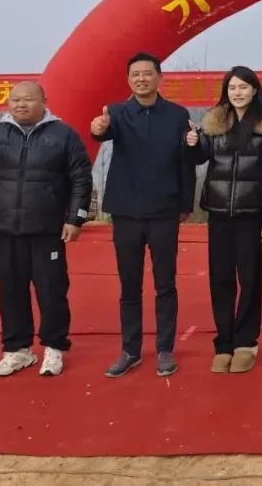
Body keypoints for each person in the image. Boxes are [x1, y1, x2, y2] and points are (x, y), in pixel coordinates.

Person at [0, 81, 93, 377]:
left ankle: (54, 347)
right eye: (14, 100)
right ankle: (17, 350)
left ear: (44, 101)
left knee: (51, 291)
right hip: (5, 227)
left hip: (46, 229)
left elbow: (81, 178)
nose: (20, 105)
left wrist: (76, 218)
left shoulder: (63, 134)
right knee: (10, 291)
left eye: (27, 99)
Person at [91, 52, 197, 378]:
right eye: (135, 74)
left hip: (164, 211)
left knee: (165, 283)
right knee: (129, 284)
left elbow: (186, 162)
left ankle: (165, 348)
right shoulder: (117, 113)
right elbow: (101, 131)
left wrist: (185, 204)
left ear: (159, 78)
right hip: (126, 211)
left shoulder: (177, 115)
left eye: (147, 73)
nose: (141, 79)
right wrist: (98, 128)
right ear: (129, 80)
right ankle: (130, 350)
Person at [185, 66, 262, 374]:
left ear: (254, 90)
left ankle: (246, 342)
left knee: (249, 279)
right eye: (232, 88)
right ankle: (224, 343)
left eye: (243, 87)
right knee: (221, 278)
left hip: (252, 216)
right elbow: (199, 157)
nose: (237, 93)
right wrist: (191, 142)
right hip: (218, 214)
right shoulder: (214, 123)